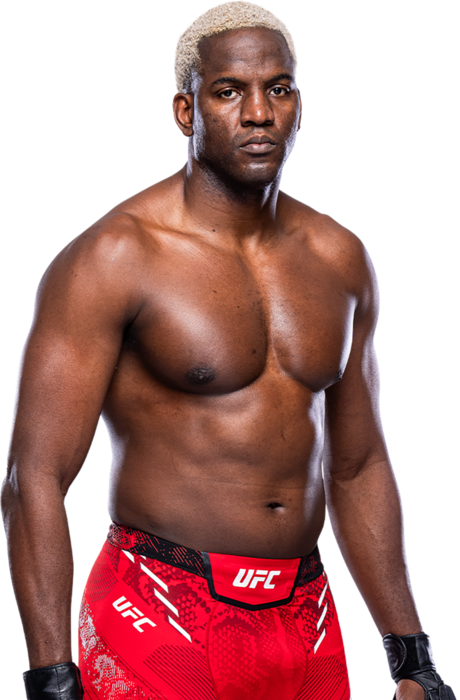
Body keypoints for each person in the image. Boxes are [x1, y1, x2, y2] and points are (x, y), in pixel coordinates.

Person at [1, 2, 456, 699]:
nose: (258, 113)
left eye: (278, 89)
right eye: (228, 91)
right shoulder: (113, 258)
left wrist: (411, 654)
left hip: (304, 619)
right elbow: (33, 477)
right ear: (185, 111)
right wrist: (50, 675)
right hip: (157, 611)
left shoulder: (339, 259)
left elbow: (358, 463)